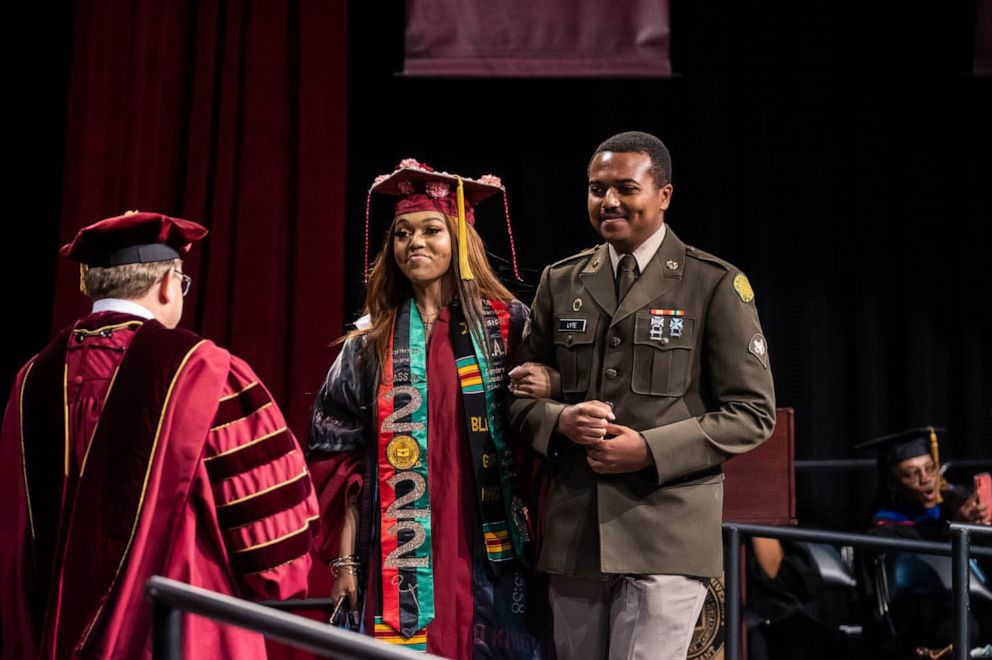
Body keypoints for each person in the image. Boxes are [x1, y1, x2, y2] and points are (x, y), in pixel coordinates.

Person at [0, 211, 319, 659]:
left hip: (47, 638)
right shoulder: (206, 372)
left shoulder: (32, 379)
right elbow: (273, 543)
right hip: (181, 634)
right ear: (169, 283)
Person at [508, 131, 776, 660]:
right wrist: (560, 421)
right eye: (596, 189)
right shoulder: (560, 282)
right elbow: (517, 397)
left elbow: (752, 413)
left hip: (666, 533)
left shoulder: (713, 284)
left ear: (664, 196)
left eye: (625, 188)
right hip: (576, 535)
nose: (608, 201)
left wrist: (649, 450)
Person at [307, 159, 545, 659]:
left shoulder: (509, 327)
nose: (413, 243)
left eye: (431, 229)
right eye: (401, 233)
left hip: (491, 546)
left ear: (461, 240)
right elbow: (339, 460)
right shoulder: (369, 343)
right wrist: (346, 562)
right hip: (404, 553)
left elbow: (539, 442)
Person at [856, 427, 991, 656]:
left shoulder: (952, 506)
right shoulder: (881, 532)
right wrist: (960, 532)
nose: (926, 480)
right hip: (924, 627)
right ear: (892, 483)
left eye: (930, 468)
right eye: (911, 473)